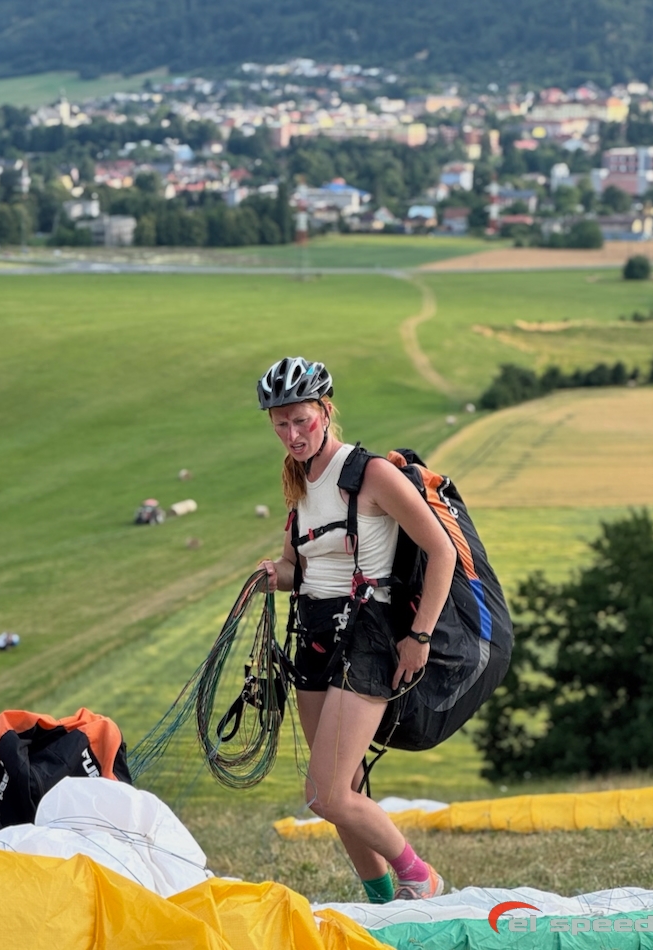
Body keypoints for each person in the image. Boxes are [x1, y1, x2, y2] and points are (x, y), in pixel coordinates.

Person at [257, 356, 458, 903]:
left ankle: (423, 879)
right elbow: (299, 568)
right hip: (313, 635)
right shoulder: (298, 483)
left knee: (324, 794)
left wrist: (418, 637)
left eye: (301, 420)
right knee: (343, 789)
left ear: (325, 411)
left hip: (366, 635)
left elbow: (440, 551)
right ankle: (383, 900)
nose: (292, 435)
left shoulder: (370, 473)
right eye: (280, 424)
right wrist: (269, 576)